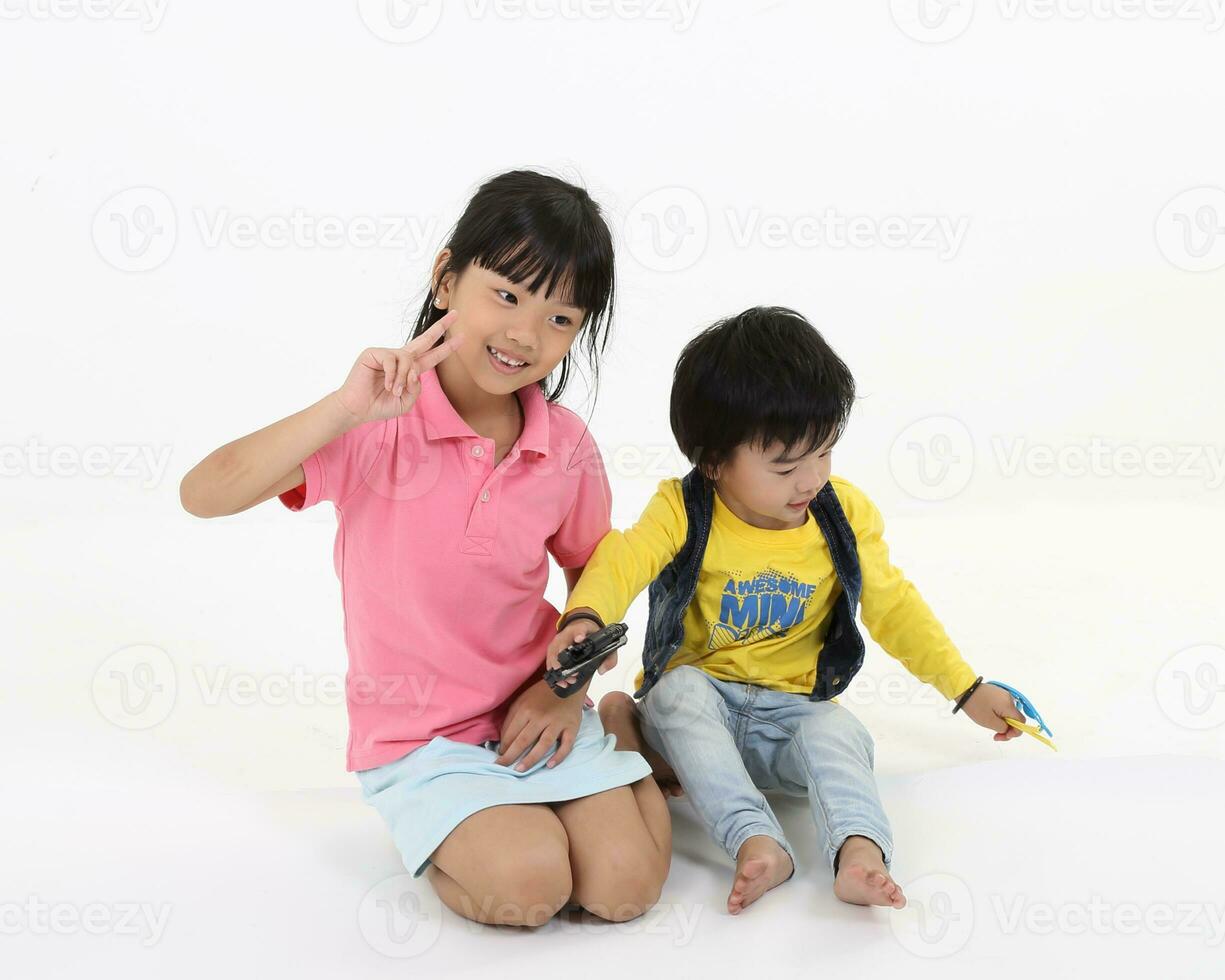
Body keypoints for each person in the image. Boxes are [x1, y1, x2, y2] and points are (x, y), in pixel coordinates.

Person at [181, 170, 671, 928]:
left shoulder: (566, 447)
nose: (523, 335)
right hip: (420, 737)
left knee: (623, 889)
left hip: (538, 709)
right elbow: (204, 492)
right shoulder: (374, 424)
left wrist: (564, 690)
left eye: (559, 318)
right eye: (505, 295)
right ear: (447, 279)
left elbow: (592, 578)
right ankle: (461, 822)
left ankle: (620, 725)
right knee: (529, 888)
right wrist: (345, 408)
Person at [548, 305, 1023, 916]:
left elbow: (895, 606)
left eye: (824, 454)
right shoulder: (683, 509)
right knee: (677, 692)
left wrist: (967, 687)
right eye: (785, 467)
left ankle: (859, 853)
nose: (811, 480)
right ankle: (756, 840)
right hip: (703, 713)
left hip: (790, 720)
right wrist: (585, 618)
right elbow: (624, 560)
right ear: (714, 462)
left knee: (840, 731)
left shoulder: (840, 516)